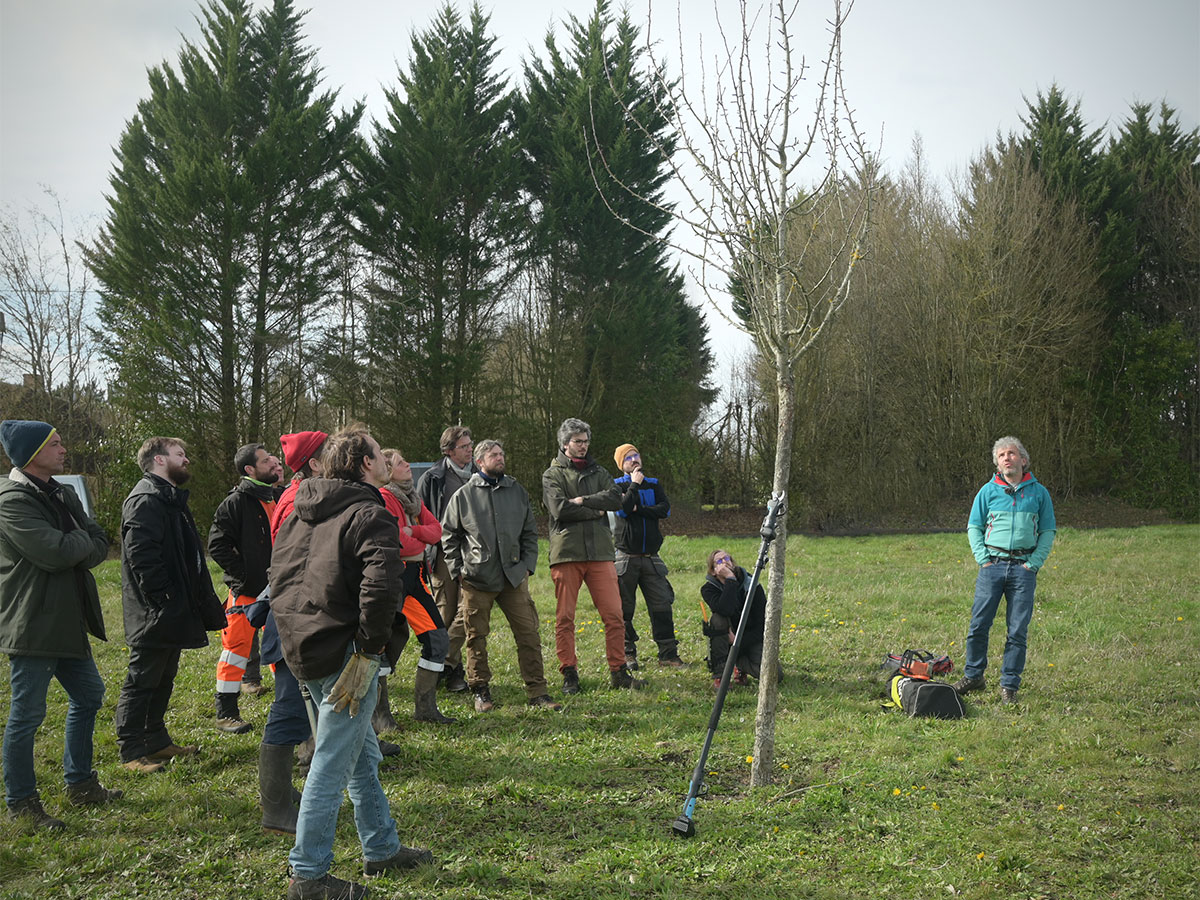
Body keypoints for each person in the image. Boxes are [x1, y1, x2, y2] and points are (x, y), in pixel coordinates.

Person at [271, 426, 432, 900]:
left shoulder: (300, 512)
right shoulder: (370, 511)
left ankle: (381, 847)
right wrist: (367, 651)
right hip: (342, 650)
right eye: (379, 454)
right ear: (364, 464)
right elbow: (383, 588)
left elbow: (277, 579)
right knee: (332, 759)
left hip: (304, 646)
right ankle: (308, 875)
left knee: (360, 753)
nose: (385, 459)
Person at [0, 420, 121, 830]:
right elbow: (54, 553)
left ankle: (80, 783)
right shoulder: (11, 500)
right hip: (33, 621)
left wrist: (80, 543)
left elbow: (97, 543)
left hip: (67, 620)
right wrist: (80, 542)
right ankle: (21, 803)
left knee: (89, 695)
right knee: (27, 715)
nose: (64, 449)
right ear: (31, 453)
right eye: (55, 444)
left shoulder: (62, 491)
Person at [116, 437, 222, 774]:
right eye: (180, 454)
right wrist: (163, 600)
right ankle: (132, 750)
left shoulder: (168, 498)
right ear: (160, 460)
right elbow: (142, 558)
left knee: (164, 676)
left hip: (171, 608)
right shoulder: (145, 500)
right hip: (154, 612)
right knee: (143, 678)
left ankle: (157, 741)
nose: (187, 459)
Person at [442, 440, 562, 713]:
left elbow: (530, 533)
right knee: (476, 637)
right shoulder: (464, 496)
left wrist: (527, 567)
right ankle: (480, 691)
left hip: (513, 576)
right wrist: (459, 571)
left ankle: (538, 691)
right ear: (480, 461)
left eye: (502, 454)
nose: (500, 458)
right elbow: (449, 536)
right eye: (493, 455)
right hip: (477, 578)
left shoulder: (516, 491)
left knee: (529, 633)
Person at [256, 430, 328, 836]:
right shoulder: (298, 501)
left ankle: (285, 796)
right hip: (292, 615)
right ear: (314, 463)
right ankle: (276, 807)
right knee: (288, 705)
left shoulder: (304, 494)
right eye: (329, 450)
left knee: (301, 707)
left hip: (297, 612)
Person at [953, 436, 1056, 705]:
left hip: (1023, 570)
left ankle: (1009, 685)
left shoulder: (1039, 493)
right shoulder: (987, 492)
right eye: (1001, 455)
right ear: (998, 464)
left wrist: (1033, 564)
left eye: (1011, 453)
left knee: (1017, 630)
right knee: (978, 625)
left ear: (1023, 460)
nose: (1007, 458)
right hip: (992, 567)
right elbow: (974, 526)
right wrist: (982, 558)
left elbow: (1047, 531)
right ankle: (974, 676)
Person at [542, 418, 642, 693]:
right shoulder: (552, 475)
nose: (583, 446)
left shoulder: (599, 471)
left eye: (586, 441)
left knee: (614, 614)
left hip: (600, 552)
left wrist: (583, 501)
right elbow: (559, 509)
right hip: (567, 553)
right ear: (565, 444)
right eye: (578, 441)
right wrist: (595, 511)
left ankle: (619, 671)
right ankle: (569, 673)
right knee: (565, 618)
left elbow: (615, 499)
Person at [208, 442, 284, 734]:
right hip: (247, 593)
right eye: (266, 461)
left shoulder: (275, 495)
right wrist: (245, 575)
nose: (273, 465)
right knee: (235, 652)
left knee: (281, 649)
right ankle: (226, 712)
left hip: (278, 590)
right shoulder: (235, 502)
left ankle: (288, 703)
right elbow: (217, 545)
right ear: (250, 469)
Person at [380, 448, 455, 724]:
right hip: (392, 580)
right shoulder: (384, 498)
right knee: (381, 648)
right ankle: (380, 717)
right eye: (401, 462)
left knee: (437, 639)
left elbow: (437, 531)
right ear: (388, 470)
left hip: (416, 579)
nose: (408, 464)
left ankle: (426, 710)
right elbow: (397, 540)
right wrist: (419, 541)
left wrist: (417, 534)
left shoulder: (412, 497)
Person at [612, 442, 686, 670]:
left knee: (662, 604)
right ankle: (628, 654)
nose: (634, 460)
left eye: (636, 456)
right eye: (628, 458)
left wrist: (640, 510)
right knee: (624, 609)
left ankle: (668, 654)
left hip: (652, 556)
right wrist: (633, 486)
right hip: (626, 558)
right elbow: (623, 509)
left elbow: (665, 510)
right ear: (621, 464)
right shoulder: (616, 486)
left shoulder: (654, 484)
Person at [416, 425, 478, 693]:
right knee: (446, 610)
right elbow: (423, 517)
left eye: (470, 444)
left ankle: (448, 664)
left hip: (476, 551)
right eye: (464, 446)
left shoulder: (481, 474)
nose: (470, 449)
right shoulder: (432, 478)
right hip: (444, 552)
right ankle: (445, 667)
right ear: (449, 450)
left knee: (470, 608)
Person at [700, 548, 767, 689]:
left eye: (727, 559)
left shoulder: (752, 584)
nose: (724, 562)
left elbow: (762, 623)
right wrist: (730, 579)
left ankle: (740, 664)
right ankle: (721, 675)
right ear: (713, 571)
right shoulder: (708, 589)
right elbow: (725, 609)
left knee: (774, 676)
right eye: (719, 561)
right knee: (717, 619)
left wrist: (738, 640)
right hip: (725, 636)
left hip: (749, 636)